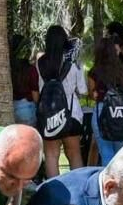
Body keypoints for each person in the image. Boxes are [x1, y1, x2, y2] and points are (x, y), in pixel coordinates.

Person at [34, 25, 87, 177]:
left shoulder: (41, 62)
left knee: (51, 155)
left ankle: (54, 194)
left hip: (50, 114)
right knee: (74, 154)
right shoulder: (73, 62)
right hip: (72, 113)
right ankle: (78, 188)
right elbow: (83, 90)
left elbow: (40, 87)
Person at [10, 34, 39, 126]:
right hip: (27, 109)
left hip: (9, 108)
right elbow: (35, 97)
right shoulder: (30, 70)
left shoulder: (6, 69)